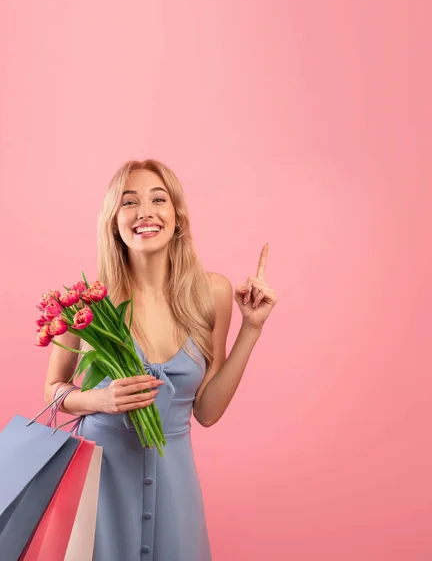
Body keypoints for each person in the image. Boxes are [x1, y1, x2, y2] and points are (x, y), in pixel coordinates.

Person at [44, 159, 277, 561]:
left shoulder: (211, 293)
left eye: (158, 199)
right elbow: (52, 392)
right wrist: (98, 400)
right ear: (114, 220)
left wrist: (251, 329)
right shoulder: (86, 302)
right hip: (100, 487)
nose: (145, 212)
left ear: (177, 216)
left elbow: (206, 411)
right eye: (129, 201)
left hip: (175, 489)